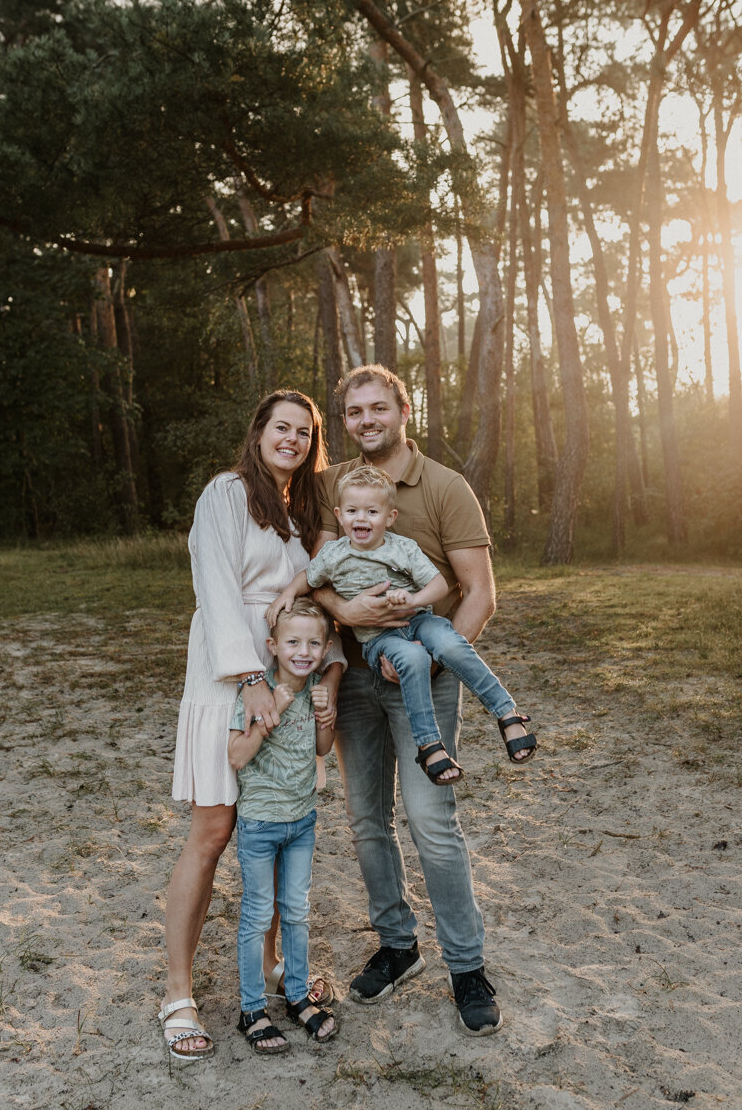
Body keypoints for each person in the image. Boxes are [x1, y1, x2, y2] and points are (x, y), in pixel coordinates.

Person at [312, 364, 532, 1037]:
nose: (367, 421)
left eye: (379, 408)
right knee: (366, 821)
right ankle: (398, 944)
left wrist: (423, 666)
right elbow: (319, 579)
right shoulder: (334, 488)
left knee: (433, 823)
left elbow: (479, 593)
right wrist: (345, 610)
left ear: (404, 411)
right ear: (345, 421)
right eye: (355, 412)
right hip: (352, 679)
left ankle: (467, 965)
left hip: (422, 676)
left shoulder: (444, 487)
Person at [159, 390, 342, 1061]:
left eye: (303, 432)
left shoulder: (299, 515)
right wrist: (251, 679)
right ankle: (178, 993)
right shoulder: (226, 493)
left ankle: (270, 972)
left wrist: (315, 679)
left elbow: (314, 607)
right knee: (212, 830)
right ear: (258, 432)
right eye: (280, 427)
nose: (291, 439)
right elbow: (214, 586)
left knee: (270, 818)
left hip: (283, 689)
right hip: (229, 681)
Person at [268, 466, 535, 785]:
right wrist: (287, 592)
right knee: (413, 658)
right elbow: (309, 578)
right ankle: (429, 745)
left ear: (390, 516)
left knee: (450, 644)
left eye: (371, 511)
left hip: (419, 619)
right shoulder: (333, 554)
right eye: (352, 511)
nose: (361, 519)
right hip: (379, 639)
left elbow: (438, 585)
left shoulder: (402, 548)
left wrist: (411, 600)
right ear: (340, 515)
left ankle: (507, 714)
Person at [228, 599, 338, 1055]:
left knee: (296, 910)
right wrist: (271, 709)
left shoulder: (316, 688)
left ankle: (295, 996)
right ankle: (252, 1008)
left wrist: (326, 716)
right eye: (293, 642)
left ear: (326, 647)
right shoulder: (256, 694)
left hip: (302, 822)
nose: (303, 651)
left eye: (314, 643)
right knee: (257, 915)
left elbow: (323, 747)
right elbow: (236, 756)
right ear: (273, 646)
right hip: (260, 824)